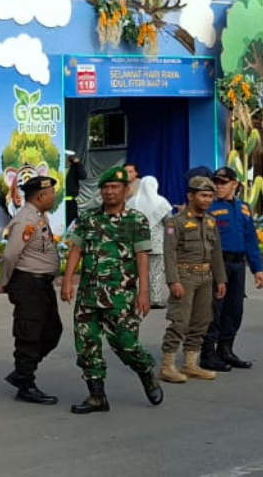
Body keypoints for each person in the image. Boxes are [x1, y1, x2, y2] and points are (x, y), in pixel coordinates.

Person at [61, 166, 163, 414]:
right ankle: (97, 397)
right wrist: (67, 280)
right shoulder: (88, 219)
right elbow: (76, 249)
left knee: (126, 343)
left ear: (125, 190)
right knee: (86, 344)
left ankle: (145, 370)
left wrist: (144, 292)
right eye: (105, 187)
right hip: (88, 294)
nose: (109, 192)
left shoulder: (136, 220)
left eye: (114, 187)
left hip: (121, 294)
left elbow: (141, 256)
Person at [0, 175, 62, 405]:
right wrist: (6, 283)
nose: (54, 198)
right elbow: (9, 255)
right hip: (29, 284)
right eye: (52, 194)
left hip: (41, 284)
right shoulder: (26, 220)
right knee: (29, 334)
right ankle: (26, 383)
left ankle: (22, 373)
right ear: (41, 196)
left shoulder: (37, 217)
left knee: (52, 332)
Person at [159, 177, 227, 383]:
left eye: (210, 196)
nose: (207, 200)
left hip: (206, 277)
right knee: (180, 321)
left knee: (201, 321)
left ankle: (190, 364)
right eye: (203, 195)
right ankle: (167, 366)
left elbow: (216, 253)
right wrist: (173, 281)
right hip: (185, 276)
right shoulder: (175, 222)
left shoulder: (210, 221)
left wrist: (220, 279)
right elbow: (169, 252)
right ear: (190, 196)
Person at [200, 167, 263, 372]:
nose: (218, 186)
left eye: (223, 183)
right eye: (216, 182)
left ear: (234, 184)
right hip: (217, 264)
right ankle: (208, 354)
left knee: (234, 310)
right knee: (214, 310)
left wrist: (258, 269)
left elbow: (250, 240)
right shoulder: (209, 208)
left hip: (238, 265)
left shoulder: (244, 208)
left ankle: (226, 349)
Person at [128, 176, 172, 308]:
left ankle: (134, 298)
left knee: (136, 272)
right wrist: (171, 237)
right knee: (156, 273)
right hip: (158, 245)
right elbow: (169, 224)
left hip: (138, 244)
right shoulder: (161, 203)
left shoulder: (132, 202)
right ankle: (156, 299)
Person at [64, 150, 87, 227]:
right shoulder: (57, 168)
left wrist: (78, 164)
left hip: (71, 202)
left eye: (67, 157)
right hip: (58, 202)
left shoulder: (75, 168)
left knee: (71, 224)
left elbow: (83, 176)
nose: (65, 159)